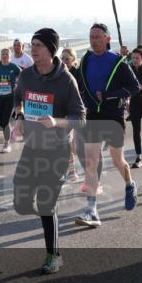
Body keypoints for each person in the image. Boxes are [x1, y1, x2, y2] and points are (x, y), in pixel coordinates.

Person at [11, 28, 85, 274]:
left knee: (46, 203)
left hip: (57, 151)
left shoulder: (66, 81)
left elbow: (80, 118)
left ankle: (54, 255)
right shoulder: (27, 75)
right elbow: (17, 98)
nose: (33, 48)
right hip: (32, 148)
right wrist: (20, 117)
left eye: (38, 45)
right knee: (21, 202)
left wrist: (57, 122)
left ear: (51, 50)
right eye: (32, 44)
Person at [73, 23, 141, 227]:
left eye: (98, 37)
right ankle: (91, 210)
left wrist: (110, 95)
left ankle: (130, 184)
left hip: (113, 116)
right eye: (91, 36)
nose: (94, 40)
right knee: (92, 162)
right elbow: (79, 84)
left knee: (117, 159)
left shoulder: (118, 62)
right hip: (93, 115)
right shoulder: (86, 60)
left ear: (107, 39)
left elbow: (134, 87)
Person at [59, 47, 87, 183]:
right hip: (63, 114)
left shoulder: (78, 74)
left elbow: (82, 93)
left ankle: (90, 171)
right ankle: (70, 171)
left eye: (67, 58)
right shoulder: (58, 73)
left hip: (77, 113)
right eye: (62, 58)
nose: (64, 61)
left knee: (77, 147)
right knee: (66, 143)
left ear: (73, 60)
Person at [0, 48, 21, 152]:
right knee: (0, 121)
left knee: (5, 121)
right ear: (0, 56)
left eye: (7, 54)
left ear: (10, 56)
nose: (5, 55)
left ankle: (6, 144)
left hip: (10, 97)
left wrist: (17, 85)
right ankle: (11, 127)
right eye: (3, 54)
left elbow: (23, 75)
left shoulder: (14, 67)